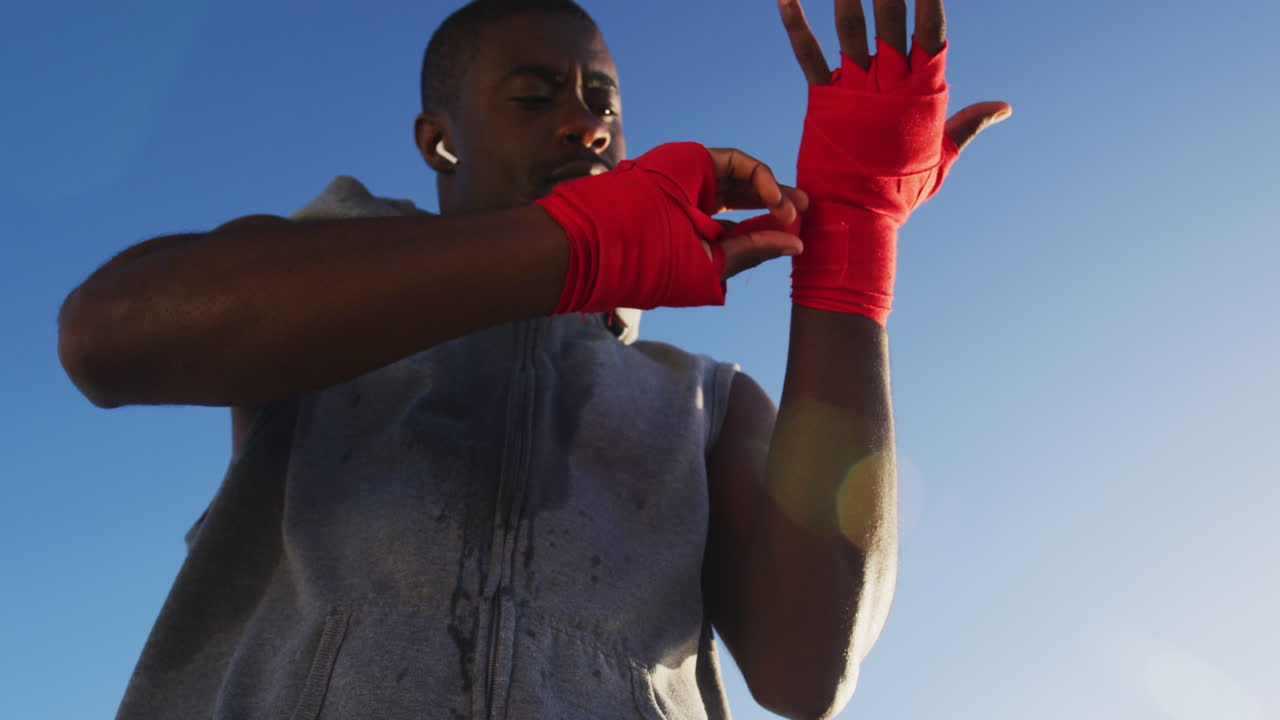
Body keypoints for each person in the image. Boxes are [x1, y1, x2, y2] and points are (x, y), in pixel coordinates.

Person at [57, 0, 1008, 718]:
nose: (585, 123)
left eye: (604, 103)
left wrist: (854, 247)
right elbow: (106, 337)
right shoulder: (322, 270)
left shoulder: (703, 400)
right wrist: (571, 248)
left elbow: (809, 668)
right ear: (438, 139)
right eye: (534, 94)